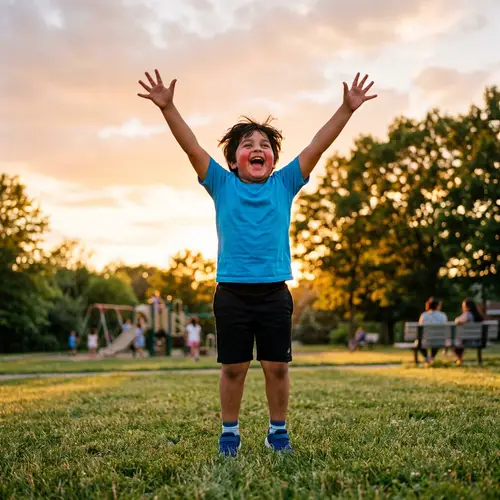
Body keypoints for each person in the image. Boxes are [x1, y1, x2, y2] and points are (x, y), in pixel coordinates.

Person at [137, 69, 377, 456]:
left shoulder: (285, 184)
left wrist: (346, 109)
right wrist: (168, 108)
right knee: (234, 368)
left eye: (264, 144)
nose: (257, 148)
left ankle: (277, 431)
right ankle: (229, 433)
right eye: (247, 144)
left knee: (277, 367)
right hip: (231, 292)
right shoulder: (221, 183)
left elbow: (318, 144)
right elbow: (193, 148)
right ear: (233, 160)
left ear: (273, 158)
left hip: (274, 293)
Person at [454, 298, 484, 366]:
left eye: (463, 306)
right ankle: (460, 360)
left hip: (468, 340)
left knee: (453, 342)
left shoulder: (468, 314)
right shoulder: (479, 315)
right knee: (458, 342)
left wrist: (456, 320)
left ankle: (460, 360)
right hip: (478, 340)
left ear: (467, 307)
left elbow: (458, 321)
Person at [418, 297, 448, 364]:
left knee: (418, 342)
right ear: (437, 306)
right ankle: (431, 358)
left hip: (426, 340)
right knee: (436, 339)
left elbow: (420, 328)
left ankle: (427, 357)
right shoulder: (443, 315)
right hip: (439, 340)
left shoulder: (424, 315)